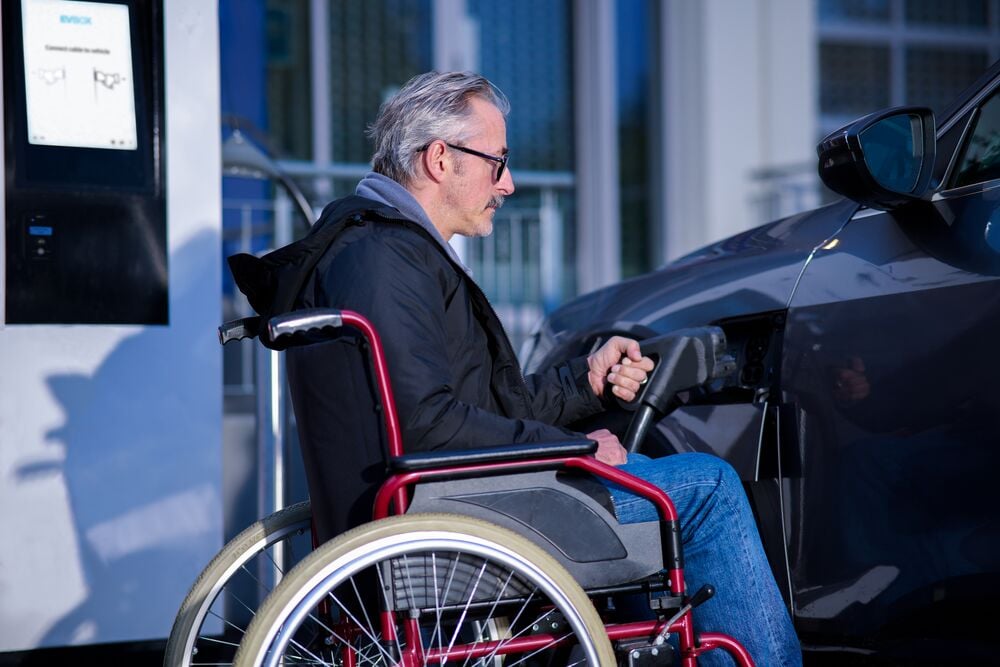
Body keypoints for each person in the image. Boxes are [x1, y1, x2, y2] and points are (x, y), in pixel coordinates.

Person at [281, 71, 801, 666]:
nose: (508, 183)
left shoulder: (374, 251)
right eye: (496, 161)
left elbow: (476, 410)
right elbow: (428, 424)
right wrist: (573, 448)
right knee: (708, 487)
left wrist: (585, 382)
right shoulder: (386, 259)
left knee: (655, 479)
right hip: (453, 523)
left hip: (443, 503)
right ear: (440, 159)